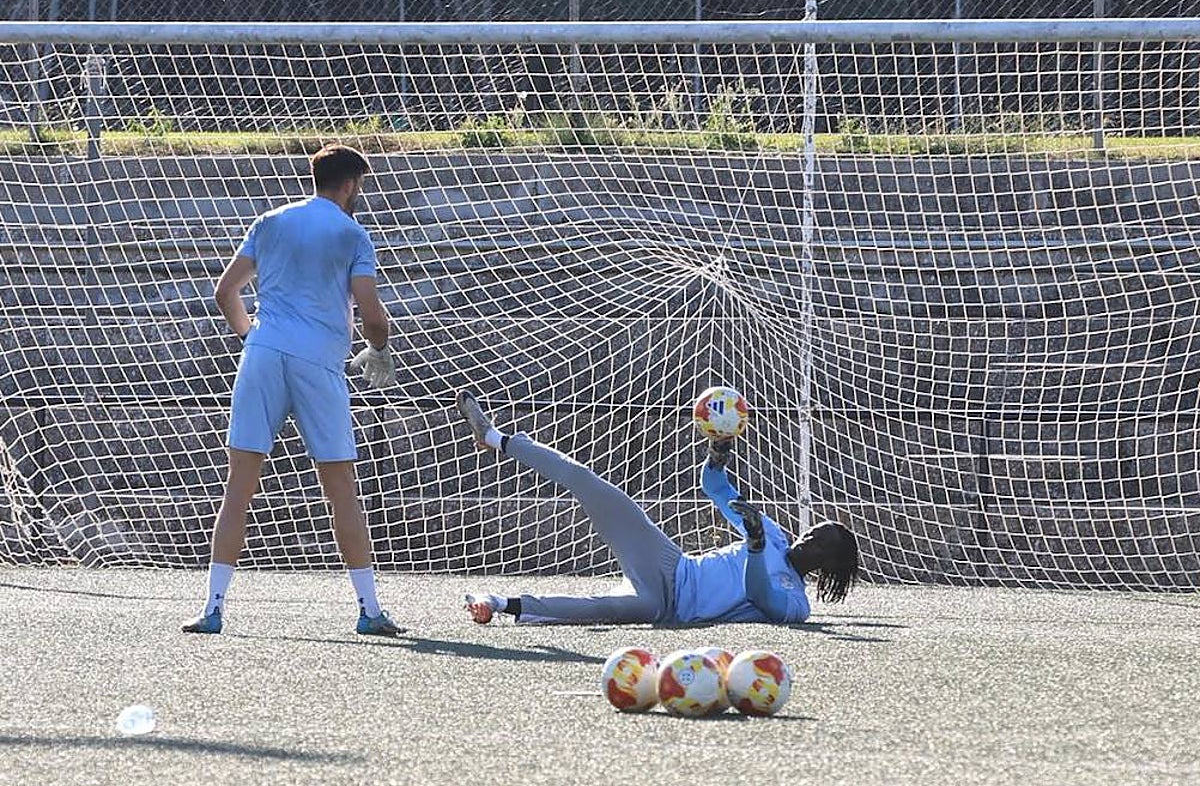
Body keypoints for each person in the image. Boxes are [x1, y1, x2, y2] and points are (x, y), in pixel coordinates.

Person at [182, 143, 402, 637]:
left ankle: (213, 608)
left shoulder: (270, 221)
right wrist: (380, 348)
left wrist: (251, 337)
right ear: (348, 185)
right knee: (340, 485)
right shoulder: (353, 234)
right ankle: (368, 610)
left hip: (261, 355)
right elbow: (371, 314)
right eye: (359, 187)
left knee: (239, 483)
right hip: (317, 363)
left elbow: (226, 292)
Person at [455, 391, 859, 626]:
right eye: (811, 531)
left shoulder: (797, 605)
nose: (806, 538)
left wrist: (753, 548)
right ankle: (496, 437)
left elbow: (761, 595)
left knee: (607, 609)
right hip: (673, 564)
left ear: (828, 563)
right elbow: (717, 488)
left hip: (670, 608)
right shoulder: (772, 534)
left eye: (818, 542)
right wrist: (718, 454)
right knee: (594, 485)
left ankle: (498, 603)